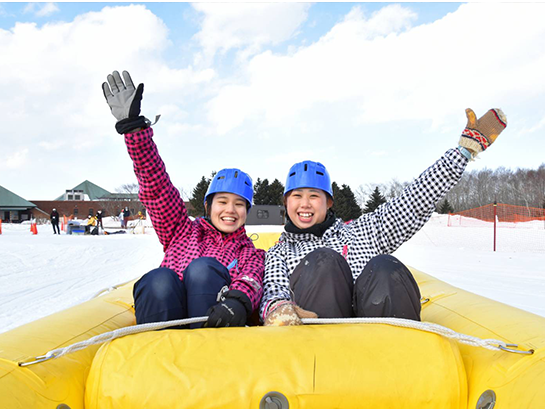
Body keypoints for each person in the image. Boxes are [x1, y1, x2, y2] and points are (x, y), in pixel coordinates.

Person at [260, 108, 507, 326]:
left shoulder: (363, 231)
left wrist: (462, 153)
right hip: (320, 349)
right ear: (286, 202)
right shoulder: (279, 253)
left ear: (328, 202)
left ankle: (400, 358)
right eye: (297, 196)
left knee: (385, 266)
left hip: (376, 346)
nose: (305, 204)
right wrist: (278, 309)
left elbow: (413, 199)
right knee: (324, 261)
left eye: (314, 196)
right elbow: (274, 291)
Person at [102, 70, 265, 329]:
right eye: (222, 202)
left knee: (203, 269)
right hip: (168, 322)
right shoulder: (180, 230)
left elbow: (251, 281)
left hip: (212, 329)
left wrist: (237, 301)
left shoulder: (251, 254)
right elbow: (156, 186)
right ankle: (154, 353)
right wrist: (134, 130)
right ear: (208, 206)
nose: (230, 210)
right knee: (159, 279)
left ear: (247, 210)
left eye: (239, 204)